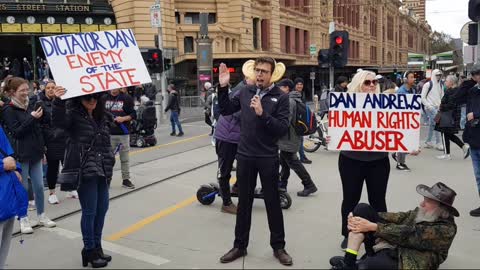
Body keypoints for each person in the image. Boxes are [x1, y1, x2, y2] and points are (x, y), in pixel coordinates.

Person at [217, 58, 292, 266]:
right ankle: (239, 245)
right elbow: (225, 110)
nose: (260, 75)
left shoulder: (281, 97)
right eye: (257, 70)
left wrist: (262, 114)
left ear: (272, 74)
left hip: (268, 157)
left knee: (272, 204)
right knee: (244, 204)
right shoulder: (245, 91)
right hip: (245, 155)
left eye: (264, 71)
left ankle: (279, 247)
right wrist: (223, 87)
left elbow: (281, 128)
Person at [329, 182, 458, 270]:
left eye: (428, 201)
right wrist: (360, 218)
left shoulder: (447, 229)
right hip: (397, 246)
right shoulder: (423, 212)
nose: (422, 204)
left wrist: (373, 227)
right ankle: (350, 263)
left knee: (369, 265)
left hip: (412, 259)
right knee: (362, 210)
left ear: (441, 208)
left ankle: (356, 263)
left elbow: (409, 234)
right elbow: (400, 217)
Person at [52, 88, 115, 268]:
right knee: (90, 211)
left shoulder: (101, 116)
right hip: (85, 169)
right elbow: (58, 122)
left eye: (95, 97)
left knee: (102, 209)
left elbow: (106, 141)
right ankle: (89, 249)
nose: (92, 101)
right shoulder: (72, 115)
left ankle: (97, 246)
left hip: (103, 169)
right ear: (79, 98)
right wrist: (58, 100)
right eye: (88, 97)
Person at [337, 70, 391, 250]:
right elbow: (337, 129)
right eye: (367, 83)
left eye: (374, 82)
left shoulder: (386, 104)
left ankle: (379, 234)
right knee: (350, 200)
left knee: (378, 201)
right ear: (359, 84)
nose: (372, 86)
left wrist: (409, 145)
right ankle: (348, 234)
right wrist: (333, 138)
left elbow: (397, 129)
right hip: (351, 160)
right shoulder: (344, 104)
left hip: (378, 160)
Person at [2, 77, 56, 234]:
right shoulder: (8, 109)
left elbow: (38, 128)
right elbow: (17, 132)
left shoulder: (31, 104)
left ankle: (41, 215)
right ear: (12, 92)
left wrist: (43, 149)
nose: (26, 93)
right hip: (21, 154)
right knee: (23, 187)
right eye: (22, 90)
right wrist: (32, 118)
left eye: (27, 89)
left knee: (39, 186)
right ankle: (23, 218)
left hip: (36, 152)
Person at [213, 78, 254, 214]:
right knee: (225, 170)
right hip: (227, 137)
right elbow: (233, 111)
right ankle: (226, 203)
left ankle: (236, 187)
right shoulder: (241, 90)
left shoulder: (253, 89)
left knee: (246, 165)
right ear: (247, 77)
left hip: (238, 137)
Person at [30, 81, 73, 204]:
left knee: (68, 164)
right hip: (51, 140)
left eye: (53, 87)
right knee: (53, 167)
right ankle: (52, 192)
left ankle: (71, 188)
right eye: (48, 88)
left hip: (65, 138)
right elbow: (38, 125)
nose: (50, 90)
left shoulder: (64, 101)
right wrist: (43, 143)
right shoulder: (40, 103)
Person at [276, 79, 318, 197]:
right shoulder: (295, 99)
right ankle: (282, 185)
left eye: (281, 87)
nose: (279, 89)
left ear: (286, 88)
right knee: (284, 162)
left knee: (294, 162)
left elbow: (286, 120)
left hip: (289, 137)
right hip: (291, 136)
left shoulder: (289, 101)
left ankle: (309, 184)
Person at [453, 64, 480, 217]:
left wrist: (476, 114)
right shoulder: (473, 90)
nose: (477, 77)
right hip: (474, 138)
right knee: (478, 176)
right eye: (475, 75)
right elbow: (457, 98)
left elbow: (474, 113)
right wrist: (467, 83)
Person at [0, 125, 27, 269]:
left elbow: (7, 151)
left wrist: (16, 168)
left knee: (6, 236)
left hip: (7, 188)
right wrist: (2, 165)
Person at [103, 88, 136, 189]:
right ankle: (106, 180)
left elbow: (133, 114)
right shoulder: (104, 98)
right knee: (107, 159)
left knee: (124, 159)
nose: (113, 89)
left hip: (123, 133)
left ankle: (126, 179)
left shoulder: (126, 98)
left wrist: (123, 118)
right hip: (108, 133)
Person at [434, 75, 470, 161]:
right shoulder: (457, 91)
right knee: (448, 134)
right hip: (453, 115)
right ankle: (462, 147)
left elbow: (450, 104)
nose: (445, 82)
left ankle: (448, 154)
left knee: (444, 133)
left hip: (447, 115)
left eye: (446, 81)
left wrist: (441, 106)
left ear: (451, 82)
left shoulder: (450, 91)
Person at [391, 71, 416, 172]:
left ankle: (398, 156)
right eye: (411, 77)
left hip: (409, 118)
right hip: (401, 119)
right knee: (402, 141)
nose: (413, 79)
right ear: (405, 79)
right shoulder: (401, 91)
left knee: (406, 141)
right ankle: (400, 163)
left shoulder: (412, 90)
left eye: (413, 77)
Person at [421, 69, 444, 151]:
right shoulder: (427, 84)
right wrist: (428, 106)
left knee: (432, 124)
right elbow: (422, 97)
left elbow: (442, 96)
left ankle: (428, 141)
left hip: (437, 107)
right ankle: (438, 143)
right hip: (430, 107)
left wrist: (441, 105)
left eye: (440, 75)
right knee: (437, 123)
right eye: (437, 75)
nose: (439, 77)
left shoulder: (440, 84)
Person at [294, 78, 312, 164]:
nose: (300, 86)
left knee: (299, 139)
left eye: (301, 84)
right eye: (298, 84)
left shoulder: (302, 94)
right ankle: (302, 157)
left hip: (300, 120)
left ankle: (301, 156)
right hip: (294, 120)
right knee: (298, 139)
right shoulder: (293, 94)